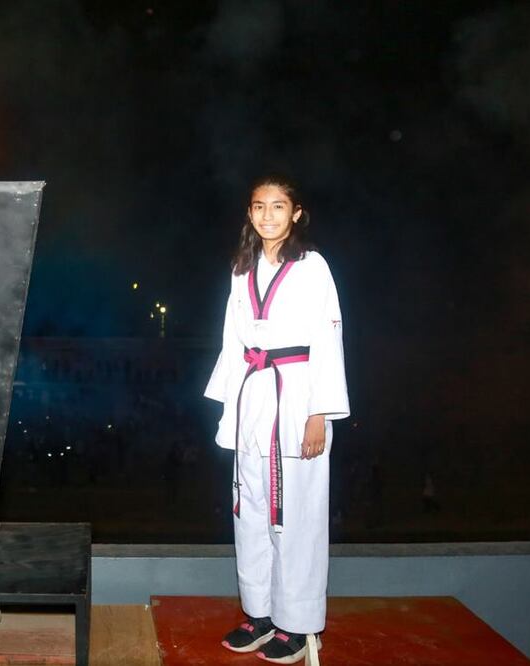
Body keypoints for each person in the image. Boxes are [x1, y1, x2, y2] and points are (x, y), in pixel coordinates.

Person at [205, 176, 350, 664]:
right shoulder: (241, 269)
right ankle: (260, 615)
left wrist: (319, 414)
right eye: (259, 207)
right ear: (249, 214)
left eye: (278, 206)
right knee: (250, 512)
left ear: (296, 213)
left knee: (297, 515)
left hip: (298, 394)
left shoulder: (312, 267)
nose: (268, 215)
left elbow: (328, 342)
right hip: (253, 398)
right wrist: (231, 408)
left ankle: (299, 623)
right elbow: (232, 340)